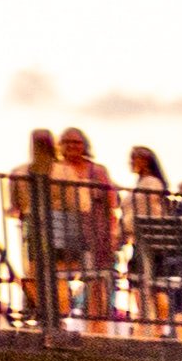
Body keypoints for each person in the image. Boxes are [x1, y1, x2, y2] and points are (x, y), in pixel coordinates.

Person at [121, 142, 182, 334]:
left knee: (145, 283)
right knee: (155, 284)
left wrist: (125, 227)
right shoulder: (149, 184)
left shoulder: (149, 184)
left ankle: (155, 326)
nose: (130, 162)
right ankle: (158, 327)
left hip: (147, 239)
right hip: (153, 240)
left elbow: (140, 212)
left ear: (144, 162)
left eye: (134, 158)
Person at [53, 125, 118, 328]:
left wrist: (112, 232)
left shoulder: (97, 171)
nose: (72, 146)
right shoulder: (55, 169)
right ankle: (60, 320)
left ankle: (97, 326)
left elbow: (111, 202)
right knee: (59, 276)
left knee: (96, 279)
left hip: (94, 231)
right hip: (64, 230)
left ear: (84, 145)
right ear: (60, 145)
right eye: (68, 142)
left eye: (77, 142)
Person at [9, 127, 63, 327]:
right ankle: (42, 312)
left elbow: (14, 205)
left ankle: (34, 312)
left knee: (34, 270)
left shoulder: (20, 172)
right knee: (43, 271)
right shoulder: (62, 171)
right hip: (54, 223)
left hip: (33, 222)